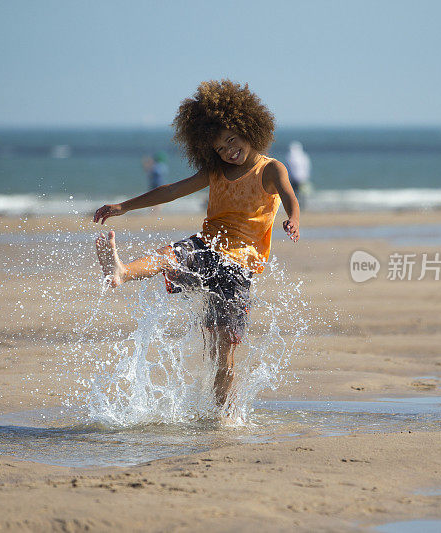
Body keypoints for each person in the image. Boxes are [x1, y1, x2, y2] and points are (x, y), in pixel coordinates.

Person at [93, 80, 300, 410]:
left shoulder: (270, 168)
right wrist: (123, 207)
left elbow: (290, 195)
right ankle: (121, 271)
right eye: (219, 148)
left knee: (223, 353)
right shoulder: (216, 172)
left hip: (239, 268)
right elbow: (170, 190)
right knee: (171, 255)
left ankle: (222, 416)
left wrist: (294, 219)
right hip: (209, 247)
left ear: (250, 128)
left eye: (232, 140)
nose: (228, 151)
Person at [285, 141, 312, 207]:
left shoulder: (289, 157)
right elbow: (307, 167)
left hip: (295, 179)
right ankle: (302, 207)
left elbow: (289, 169)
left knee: (295, 194)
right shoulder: (304, 156)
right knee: (302, 194)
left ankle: (297, 207)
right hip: (303, 178)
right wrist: (306, 176)